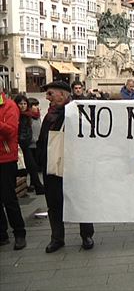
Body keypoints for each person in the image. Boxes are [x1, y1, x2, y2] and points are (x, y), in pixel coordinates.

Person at [38, 81, 94, 253]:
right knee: (54, 204)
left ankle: (86, 235)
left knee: (79, 200)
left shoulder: (76, 113)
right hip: (52, 167)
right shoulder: (49, 115)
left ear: (62, 95)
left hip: (74, 167)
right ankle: (57, 238)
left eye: (50, 94)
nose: (47, 98)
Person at [0, 79, 27, 250]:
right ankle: (2, 234)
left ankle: (19, 232)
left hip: (5, 158)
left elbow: (10, 131)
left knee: (8, 198)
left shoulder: (9, 106)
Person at [13, 95, 43, 195]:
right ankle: (32, 187)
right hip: (20, 145)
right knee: (26, 167)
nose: (23, 106)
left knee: (31, 166)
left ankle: (36, 186)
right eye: (20, 104)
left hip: (26, 145)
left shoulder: (27, 115)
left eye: (25, 104)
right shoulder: (15, 115)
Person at [28, 97, 43, 193]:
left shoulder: (38, 116)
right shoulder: (28, 117)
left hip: (38, 143)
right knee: (32, 166)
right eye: (34, 105)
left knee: (35, 165)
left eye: (37, 105)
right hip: (30, 144)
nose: (37, 107)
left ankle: (33, 183)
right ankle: (33, 184)